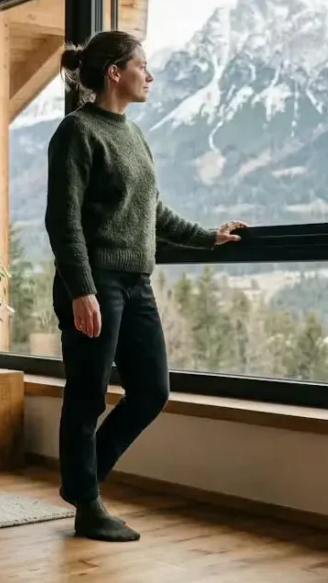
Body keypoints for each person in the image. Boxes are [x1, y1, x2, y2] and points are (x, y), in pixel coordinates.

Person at [44, 30, 248, 542]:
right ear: (115, 73)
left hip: (137, 285)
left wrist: (208, 237)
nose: (150, 76)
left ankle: (82, 481)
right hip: (95, 284)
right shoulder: (77, 131)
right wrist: (82, 290)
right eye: (143, 66)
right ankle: (88, 503)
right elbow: (62, 221)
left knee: (152, 390)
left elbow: (151, 214)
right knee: (88, 397)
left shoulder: (134, 135)